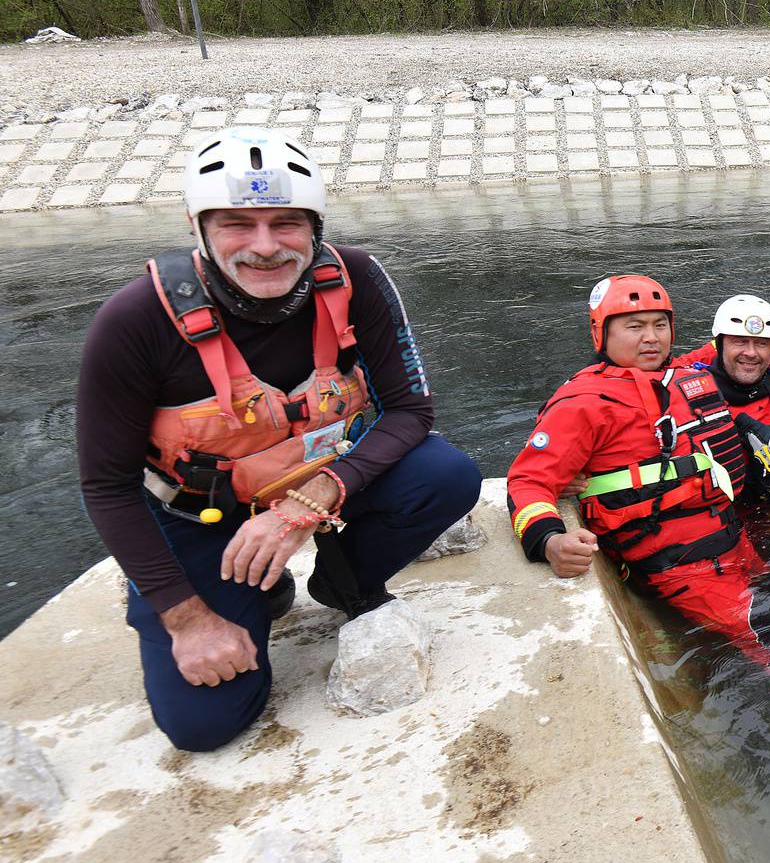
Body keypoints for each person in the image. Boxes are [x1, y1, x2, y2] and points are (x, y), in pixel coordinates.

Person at [77, 130, 481, 752]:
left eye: (286, 224)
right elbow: (106, 486)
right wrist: (186, 619)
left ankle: (344, 582)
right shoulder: (133, 321)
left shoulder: (359, 280)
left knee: (445, 475)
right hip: (199, 517)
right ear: (198, 225)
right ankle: (259, 591)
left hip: (313, 487)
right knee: (206, 724)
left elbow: (409, 411)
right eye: (238, 224)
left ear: (314, 226)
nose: (265, 247)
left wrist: (309, 504)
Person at [506, 276, 770, 732]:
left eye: (658, 325)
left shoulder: (689, 375)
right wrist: (548, 539)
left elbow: (757, 340)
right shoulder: (583, 401)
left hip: (730, 540)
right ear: (601, 333)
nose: (650, 338)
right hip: (676, 563)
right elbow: (527, 480)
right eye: (633, 327)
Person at [676, 293, 770, 500]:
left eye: (761, 343)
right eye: (740, 341)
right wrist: (711, 346)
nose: (751, 353)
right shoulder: (688, 388)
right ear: (720, 344)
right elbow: (654, 368)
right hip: (736, 515)